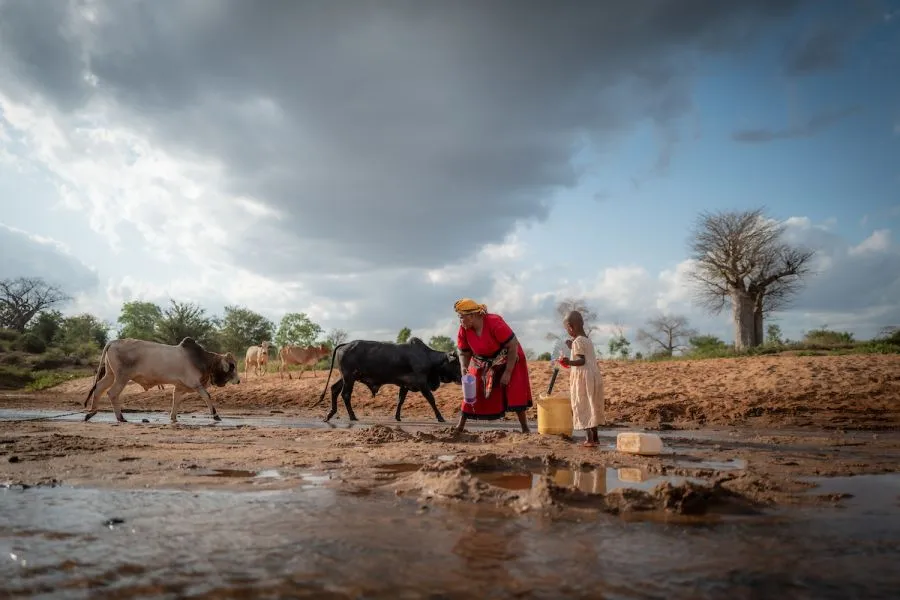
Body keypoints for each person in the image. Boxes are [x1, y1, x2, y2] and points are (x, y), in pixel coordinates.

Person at [453, 298, 532, 434]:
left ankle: (525, 427)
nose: (460, 321)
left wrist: (507, 372)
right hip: (482, 361)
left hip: (510, 358)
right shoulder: (464, 329)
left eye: (461, 317)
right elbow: (463, 352)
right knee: (472, 390)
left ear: (472, 316)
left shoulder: (494, 322)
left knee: (514, 391)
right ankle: (459, 426)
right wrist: (464, 367)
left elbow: (512, 345)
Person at [559, 310, 605, 447]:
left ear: (570, 327)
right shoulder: (586, 340)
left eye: (567, 329)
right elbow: (583, 354)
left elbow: (581, 361)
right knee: (591, 406)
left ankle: (589, 439)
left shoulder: (578, 341)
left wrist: (568, 362)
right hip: (594, 376)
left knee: (582, 405)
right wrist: (571, 347)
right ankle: (595, 438)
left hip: (583, 379)